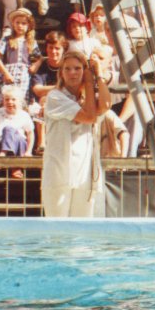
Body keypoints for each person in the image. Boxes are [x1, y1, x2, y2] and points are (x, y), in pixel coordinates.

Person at [41, 50, 110, 217]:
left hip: (85, 174)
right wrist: (87, 80)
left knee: (82, 233)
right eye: (68, 69)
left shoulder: (88, 101)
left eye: (78, 68)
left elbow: (106, 105)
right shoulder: (55, 97)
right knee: (57, 233)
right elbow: (89, 117)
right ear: (61, 72)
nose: (73, 73)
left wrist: (98, 73)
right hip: (59, 174)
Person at [0, 8, 41, 107]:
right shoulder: (7, 40)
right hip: (9, 75)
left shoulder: (31, 42)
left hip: (24, 76)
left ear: (29, 25)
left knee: (20, 102)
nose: (20, 26)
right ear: (13, 24)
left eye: (23, 23)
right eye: (17, 22)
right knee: (7, 101)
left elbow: (40, 58)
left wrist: (35, 66)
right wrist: (6, 73)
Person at [31, 30, 68, 153]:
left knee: (45, 100)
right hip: (44, 104)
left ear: (63, 50)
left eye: (57, 48)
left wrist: (50, 91)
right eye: (50, 47)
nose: (53, 51)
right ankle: (42, 143)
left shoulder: (67, 66)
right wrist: (59, 86)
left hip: (66, 102)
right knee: (42, 102)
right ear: (46, 48)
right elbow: (37, 90)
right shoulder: (42, 67)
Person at [0, 86, 34, 176]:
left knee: (16, 135)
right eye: (7, 99)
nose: (10, 102)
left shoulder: (24, 115)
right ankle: (14, 166)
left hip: (18, 147)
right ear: (3, 101)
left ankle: (13, 165)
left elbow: (30, 134)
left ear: (20, 101)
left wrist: (29, 151)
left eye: (13, 99)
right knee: (8, 129)